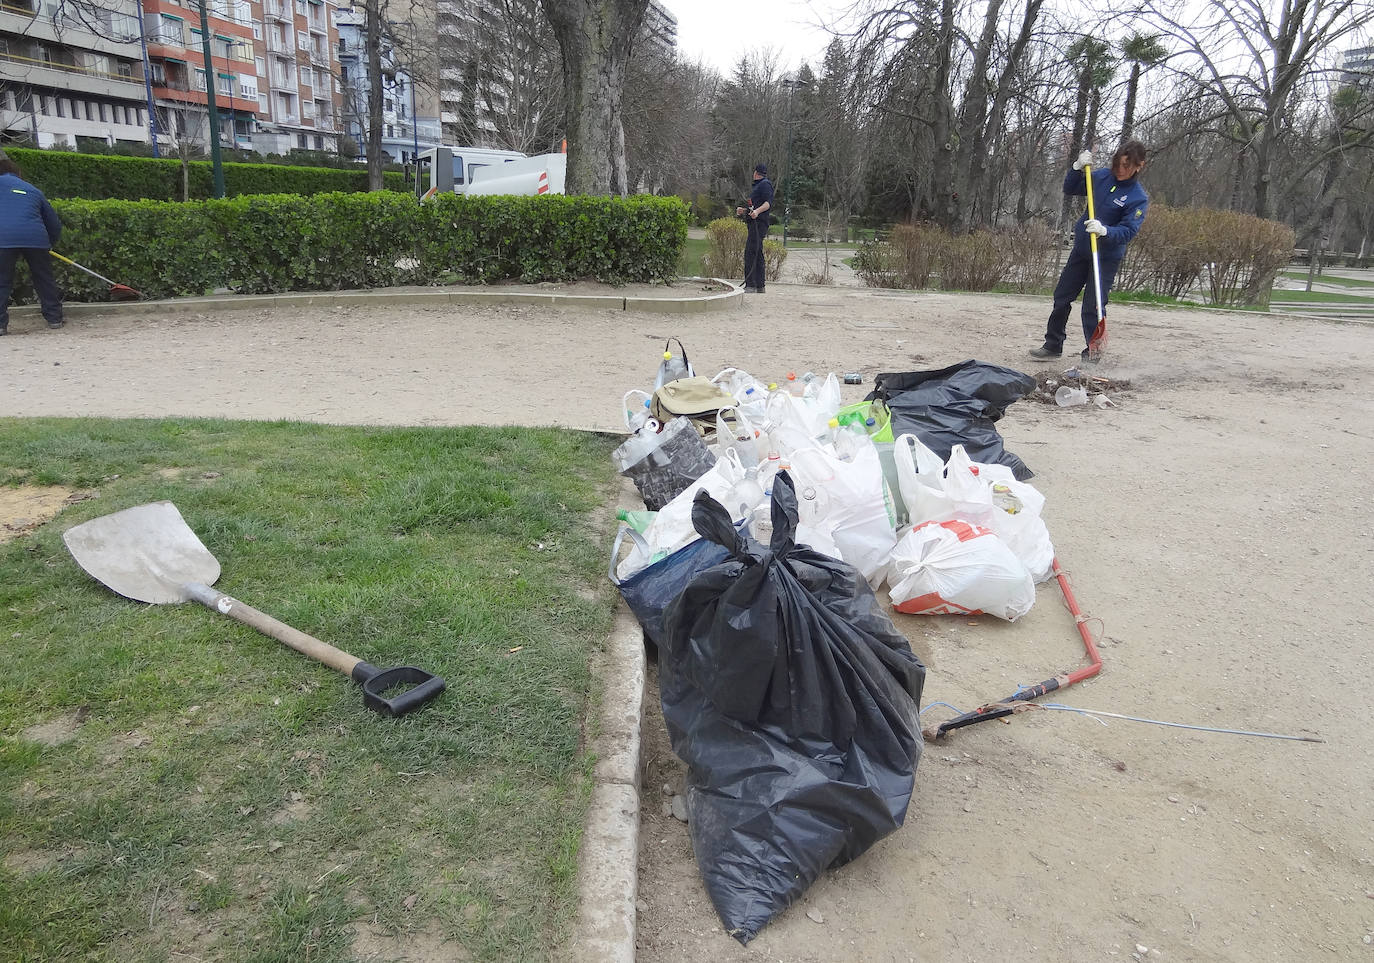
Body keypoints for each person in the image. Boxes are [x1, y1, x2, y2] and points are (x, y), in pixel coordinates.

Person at [1030, 140, 1148, 362]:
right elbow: (1071, 188)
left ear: (1138, 166)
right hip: (1082, 250)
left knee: (1093, 306)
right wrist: (1076, 168)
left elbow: (1129, 231)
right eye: (1119, 164)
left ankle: (1093, 353)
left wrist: (1105, 231)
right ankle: (1053, 344)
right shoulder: (1102, 177)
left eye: (1127, 166)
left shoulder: (1137, 197)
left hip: (1105, 257)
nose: (1121, 170)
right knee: (1062, 297)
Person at [0, 148, 64, 336]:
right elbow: (53, 223)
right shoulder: (33, 190)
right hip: (36, 239)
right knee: (44, 278)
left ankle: (1, 325)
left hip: (3, 239)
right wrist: (49, 243)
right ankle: (54, 319)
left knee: (2, 281)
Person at [735, 163, 773, 294]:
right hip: (754, 222)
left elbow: (768, 203)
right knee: (757, 252)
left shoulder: (765, 184)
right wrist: (744, 211)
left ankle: (751, 285)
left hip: (759, 224)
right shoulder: (758, 186)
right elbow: (754, 207)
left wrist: (757, 212)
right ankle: (759, 285)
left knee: (751, 252)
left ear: (755, 173)